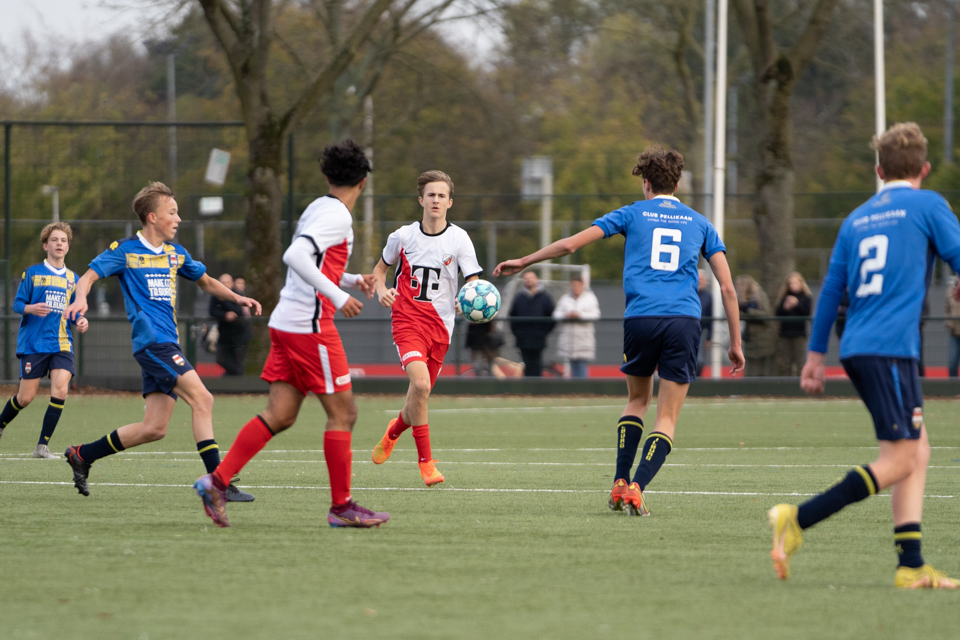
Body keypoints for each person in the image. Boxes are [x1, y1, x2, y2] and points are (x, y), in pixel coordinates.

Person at [494, 144, 744, 516]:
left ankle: (620, 481)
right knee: (667, 417)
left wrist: (525, 260)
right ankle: (637, 488)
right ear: (677, 184)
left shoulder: (631, 213)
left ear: (646, 183)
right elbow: (727, 288)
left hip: (640, 318)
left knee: (637, 401)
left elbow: (570, 245)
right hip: (684, 321)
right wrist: (735, 343)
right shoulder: (701, 223)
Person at [770, 122, 960, 589]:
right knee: (901, 459)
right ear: (924, 169)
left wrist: (815, 357)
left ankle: (911, 565)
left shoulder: (856, 219)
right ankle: (797, 519)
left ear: (879, 171)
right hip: (890, 349)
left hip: (858, 346)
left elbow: (831, 290)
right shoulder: (929, 205)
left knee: (917, 451)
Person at [194, 140, 389, 529]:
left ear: (328, 177)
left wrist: (350, 279)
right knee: (344, 414)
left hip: (287, 322)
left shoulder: (318, 206)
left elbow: (313, 262)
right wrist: (338, 296)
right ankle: (342, 507)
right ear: (363, 182)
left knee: (280, 415)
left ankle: (216, 482)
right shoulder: (337, 216)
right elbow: (295, 256)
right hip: (310, 328)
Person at [62, 182, 260, 504]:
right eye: (173, 212)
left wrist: (237, 298)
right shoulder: (125, 251)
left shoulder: (175, 253)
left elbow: (207, 282)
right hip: (154, 344)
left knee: (154, 428)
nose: (178, 218)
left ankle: (82, 455)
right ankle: (218, 483)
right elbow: (88, 277)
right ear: (152, 217)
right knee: (203, 399)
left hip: (168, 345)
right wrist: (81, 297)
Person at [369, 170, 483, 486]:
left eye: (441, 195)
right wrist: (381, 290)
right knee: (420, 386)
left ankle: (393, 431)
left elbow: (473, 282)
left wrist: (465, 300)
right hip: (407, 321)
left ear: (450, 202)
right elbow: (379, 271)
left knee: (418, 397)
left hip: (441, 328)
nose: (436, 200)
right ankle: (426, 463)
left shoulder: (459, 239)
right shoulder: (403, 236)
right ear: (421, 199)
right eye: (431, 194)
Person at [0, 222, 89, 459]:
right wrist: (30, 308)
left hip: (61, 344)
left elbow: (74, 311)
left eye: (63, 241)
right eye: (54, 240)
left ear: (68, 246)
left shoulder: (74, 278)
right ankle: (0, 424)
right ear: (45, 245)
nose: (59, 244)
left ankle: (42, 447)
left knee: (60, 390)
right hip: (34, 343)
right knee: (25, 398)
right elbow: (17, 304)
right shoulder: (33, 273)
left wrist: (81, 320)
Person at [508, 270, 555, 376]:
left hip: (538, 339)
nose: (529, 280)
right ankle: (528, 385)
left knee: (537, 364)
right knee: (526, 365)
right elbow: (512, 316)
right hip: (523, 339)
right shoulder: (519, 298)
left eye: (531, 278)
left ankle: (536, 385)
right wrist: (518, 333)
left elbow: (552, 317)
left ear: (537, 279)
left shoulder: (545, 297)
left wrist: (543, 332)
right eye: (526, 278)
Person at [552, 276, 600, 378]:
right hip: (568, 339)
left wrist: (579, 315)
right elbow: (556, 314)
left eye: (578, 285)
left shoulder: (590, 298)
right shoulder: (565, 298)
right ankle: (576, 387)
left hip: (583, 339)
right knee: (573, 366)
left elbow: (596, 314)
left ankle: (582, 387)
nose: (575, 287)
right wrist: (566, 315)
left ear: (583, 285)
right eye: (574, 285)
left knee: (581, 365)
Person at [736, 275, 776, 376]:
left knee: (764, 369)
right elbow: (737, 315)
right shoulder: (741, 298)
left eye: (740, 285)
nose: (738, 288)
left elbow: (766, 315)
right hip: (750, 338)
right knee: (750, 369)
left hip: (764, 337)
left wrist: (749, 311)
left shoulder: (760, 295)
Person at [774, 271, 812, 376]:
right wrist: (784, 308)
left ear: (800, 283)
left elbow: (807, 313)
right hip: (785, 333)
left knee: (799, 363)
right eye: (790, 283)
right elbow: (777, 313)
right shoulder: (784, 297)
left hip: (799, 333)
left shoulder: (806, 297)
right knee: (786, 363)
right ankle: (786, 384)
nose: (792, 285)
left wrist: (797, 304)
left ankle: (799, 383)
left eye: (795, 282)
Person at [209, 273, 245, 375]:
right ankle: (233, 376)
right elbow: (212, 311)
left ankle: (235, 378)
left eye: (227, 282)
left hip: (238, 335)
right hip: (224, 334)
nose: (225, 285)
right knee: (221, 359)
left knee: (237, 361)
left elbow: (238, 311)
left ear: (232, 283)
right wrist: (224, 315)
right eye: (223, 282)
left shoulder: (238, 294)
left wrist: (224, 301)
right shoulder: (215, 295)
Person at [232, 276, 253, 372]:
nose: (240, 285)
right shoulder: (232, 297)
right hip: (234, 334)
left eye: (242, 283)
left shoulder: (246, 296)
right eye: (238, 283)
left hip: (245, 334)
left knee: (240, 360)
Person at [696, 269, 713, 376]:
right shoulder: (690, 293)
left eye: (702, 279)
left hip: (701, 332)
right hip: (686, 330)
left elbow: (711, 317)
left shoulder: (708, 296)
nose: (700, 281)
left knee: (700, 361)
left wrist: (709, 338)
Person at [945, 275, 960, 377]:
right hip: (954, 333)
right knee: (952, 362)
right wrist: (949, 323)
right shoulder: (950, 291)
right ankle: (953, 385)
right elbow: (946, 310)